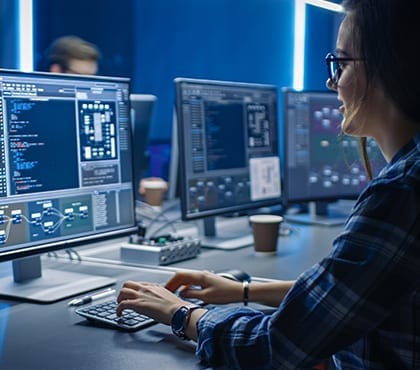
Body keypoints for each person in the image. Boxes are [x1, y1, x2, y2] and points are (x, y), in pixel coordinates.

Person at [116, 0, 420, 368]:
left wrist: (182, 314)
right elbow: (350, 296)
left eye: (341, 64)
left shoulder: (401, 192)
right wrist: (243, 292)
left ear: (390, 67)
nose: (331, 81)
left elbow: (277, 346)